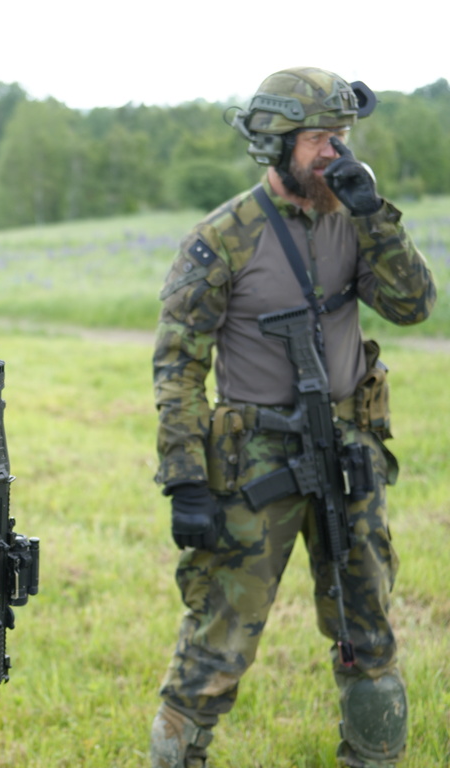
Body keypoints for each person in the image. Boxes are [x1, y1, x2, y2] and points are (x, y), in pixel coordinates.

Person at [150, 67, 436, 768]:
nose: (335, 153)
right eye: (319, 139)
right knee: (218, 640)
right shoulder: (220, 238)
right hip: (255, 466)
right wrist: (186, 481)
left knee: (368, 633)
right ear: (276, 144)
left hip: (350, 456)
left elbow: (414, 305)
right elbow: (178, 367)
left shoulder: (356, 219)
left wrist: (376, 216)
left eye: (343, 137)